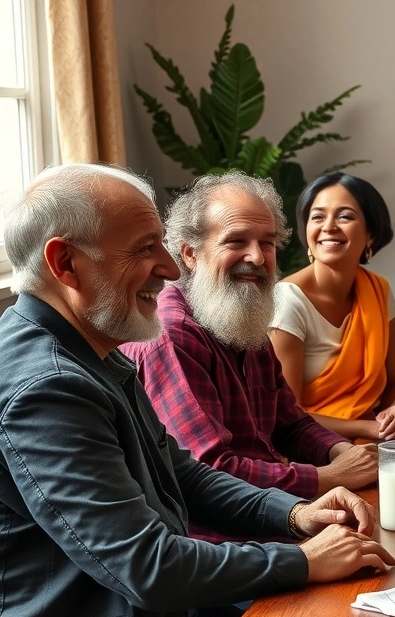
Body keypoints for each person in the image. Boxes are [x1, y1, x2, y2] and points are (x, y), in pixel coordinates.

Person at [0, 163, 395, 617]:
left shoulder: (90, 349)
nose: (166, 266)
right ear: (64, 263)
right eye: (144, 249)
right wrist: (302, 561)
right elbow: (147, 567)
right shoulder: (45, 388)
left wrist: (296, 515)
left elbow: (183, 472)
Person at [123, 172, 380, 544]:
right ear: (190, 253)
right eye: (236, 241)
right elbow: (210, 470)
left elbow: (290, 423)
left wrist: (342, 452)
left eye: (268, 242)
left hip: (281, 512)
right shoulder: (172, 334)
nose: (258, 257)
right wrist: (330, 476)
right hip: (222, 544)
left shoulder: (243, 312)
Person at [269, 172, 395, 440]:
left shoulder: (378, 290)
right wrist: (370, 429)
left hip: (375, 439)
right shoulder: (288, 299)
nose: (328, 226)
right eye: (317, 217)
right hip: (307, 447)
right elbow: (285, 414)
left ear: (370, 234)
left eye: (345, 216)